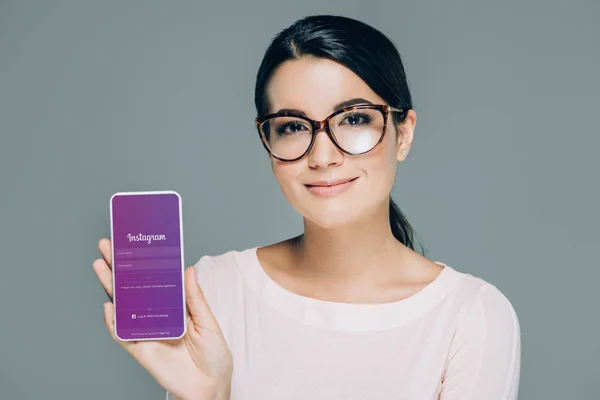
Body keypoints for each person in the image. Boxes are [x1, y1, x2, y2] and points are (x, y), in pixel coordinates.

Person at [93, 14, 521, 400]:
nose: (322, 156)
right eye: (294, 127)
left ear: (402, 132)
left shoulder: (472, 316)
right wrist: (208, 396)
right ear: (268, 143)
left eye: (353, 119)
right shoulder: (212, 293)